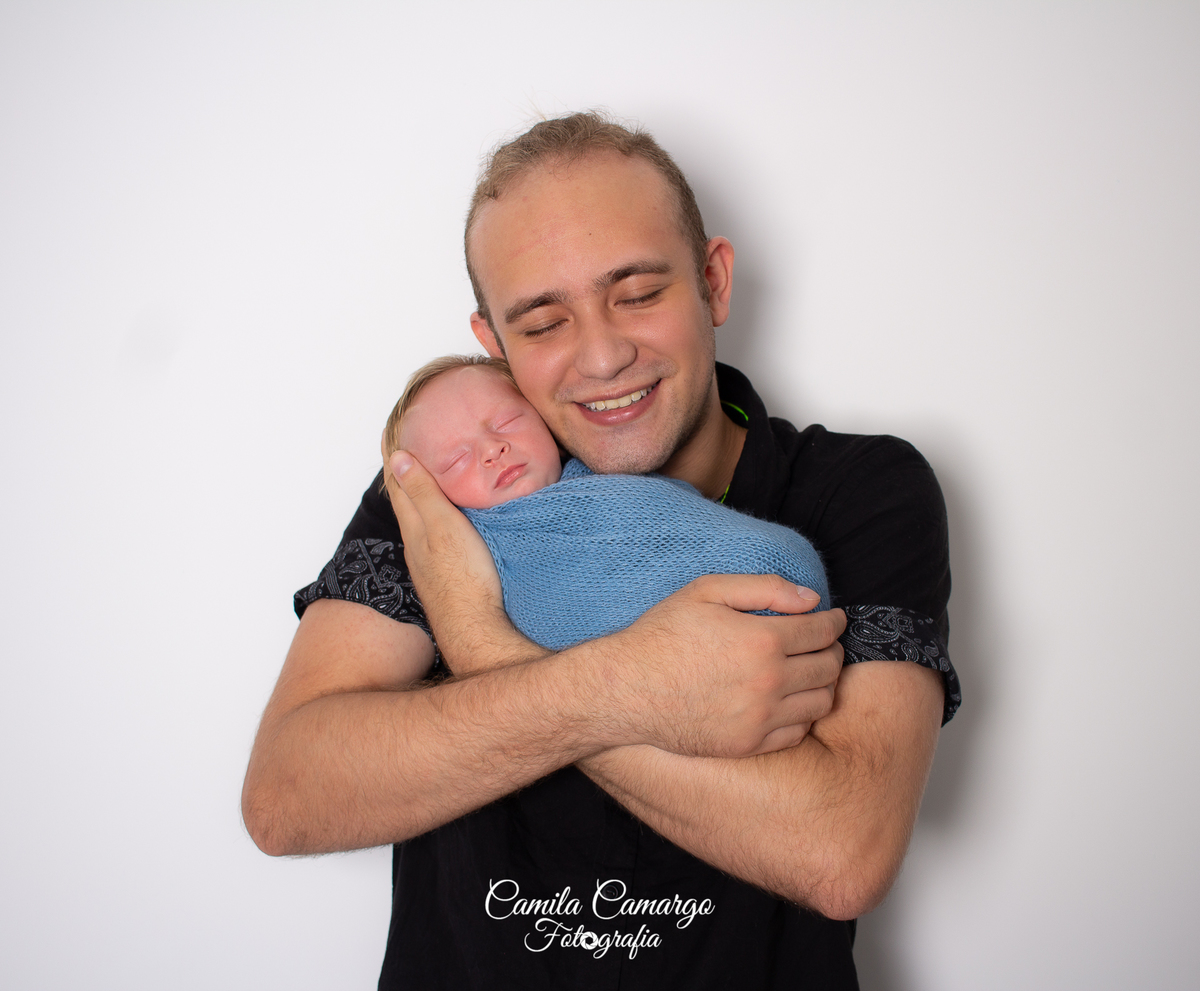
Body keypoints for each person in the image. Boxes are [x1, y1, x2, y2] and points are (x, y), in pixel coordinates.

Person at [242, 112, 960, 990]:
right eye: (543, 323)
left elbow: (841, 853)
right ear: (493, 345)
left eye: (639, 293)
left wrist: (485, 646)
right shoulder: (455, 478)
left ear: (713, 282)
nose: (604, 355)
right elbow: (286, 796)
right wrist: (632, 685)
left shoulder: (860, 488)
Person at [381, 353, 830, 651]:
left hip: (773, 590)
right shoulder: (461, 548)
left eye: (507, 421)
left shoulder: (601, 466)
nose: (492, 449)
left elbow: (675, 515)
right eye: (457, 459)